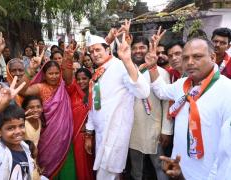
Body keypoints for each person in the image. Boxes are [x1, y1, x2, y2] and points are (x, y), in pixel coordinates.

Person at [145, 37, 231, 180]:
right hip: (179, 168)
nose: (190, 62)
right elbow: (161, 91)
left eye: (197, 56)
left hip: (209, 174)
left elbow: (227, 152)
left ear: (212, 57)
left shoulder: (227, 91)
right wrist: (152, 67)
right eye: (185, 58)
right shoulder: (183, 84)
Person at [84, 28, 150, 179]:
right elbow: (94, 105)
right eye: (91, 51)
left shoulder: (121, 66)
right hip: (101, 133)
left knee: (109, 174)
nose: (94, 54)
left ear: (108, 49)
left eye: (98, 50)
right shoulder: (99, 71)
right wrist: (89, 133)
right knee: (106, 174)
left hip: (116, 132)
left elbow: (143, 92)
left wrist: (127, 60)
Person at [18, 49, 76, 178]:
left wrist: (68, 58)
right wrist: (31, 69)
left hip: (65, 137)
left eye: (57, 73)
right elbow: (22, 91)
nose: (54, 76)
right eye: (51, 73)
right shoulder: (40, 87)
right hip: (47, 135)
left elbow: (68, 76)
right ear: (44, 74)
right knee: (46, 166)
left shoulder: (63, 85)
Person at [129, 30, 172, 180]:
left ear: (148, 49)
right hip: (132, 128)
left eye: (141, 47)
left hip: (154, 127)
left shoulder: (161, 73)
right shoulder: (127, 72)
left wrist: (166, 130)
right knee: (136, 170)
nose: (138, 51)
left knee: (160, 167)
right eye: (134, 48)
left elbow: (167, 103)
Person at [65, 67, 95, 180]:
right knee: (80, 167)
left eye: (84, 78)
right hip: (77, 137)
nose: (81, 81)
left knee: (91, 165)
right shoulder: (73, 91)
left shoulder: (95, 93)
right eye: (78, 79)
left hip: (92, 136)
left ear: (90, 79)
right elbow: (67, 78)